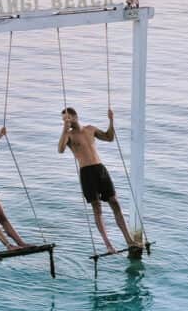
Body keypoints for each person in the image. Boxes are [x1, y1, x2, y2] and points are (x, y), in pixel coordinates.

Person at [58, 106, 136, 253]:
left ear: (75, 116)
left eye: (67, 118)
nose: (65, 121)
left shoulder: (90, 129)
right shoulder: (68, 135)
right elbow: (60, 150)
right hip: (86, 173)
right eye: (63, 119)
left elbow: (109, 137)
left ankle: (129, 240)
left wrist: (111, 121)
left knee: (115, 202)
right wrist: (64, 129)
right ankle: (108, 245)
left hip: (100, 169)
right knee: (97, 208)